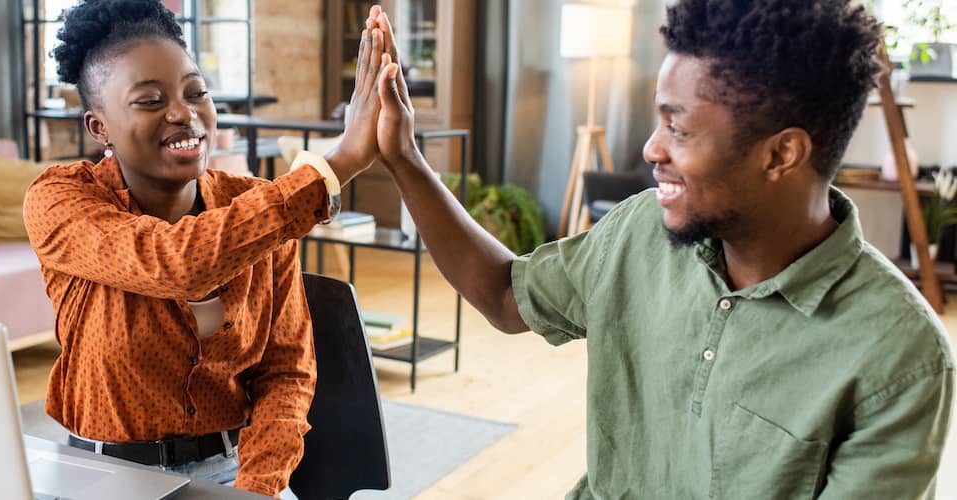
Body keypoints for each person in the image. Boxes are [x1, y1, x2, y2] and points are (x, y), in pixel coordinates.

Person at [368, 0, 953, 498]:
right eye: (658, 120)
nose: (651, 148)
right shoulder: (638, 232)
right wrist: (404, 157)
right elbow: (502, 294)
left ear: (781, 155)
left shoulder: (900, 359)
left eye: (679, 128)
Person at [23, 1, 391, 496]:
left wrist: (254, 489)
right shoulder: (60, 201)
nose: (183, 113)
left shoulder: (257, 209)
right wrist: (338, 163)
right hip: (100, 476)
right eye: (150, 101)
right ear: (99, 126)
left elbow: (287, 373)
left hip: (231, 473)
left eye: (197, 92)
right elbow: (178, 263)